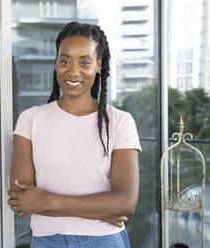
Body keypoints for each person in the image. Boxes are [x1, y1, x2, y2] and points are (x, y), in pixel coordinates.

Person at [8, 22, 141, 248]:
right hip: (47, 241)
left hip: (105, 241)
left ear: (98, 65)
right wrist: (103, 212)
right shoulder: (31, 119)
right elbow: (22, 200)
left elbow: (125, 202)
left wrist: (46, 201)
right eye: (65, 61)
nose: (73, 71)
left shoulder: (120, 121)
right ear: (56, 63)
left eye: (85, 62)